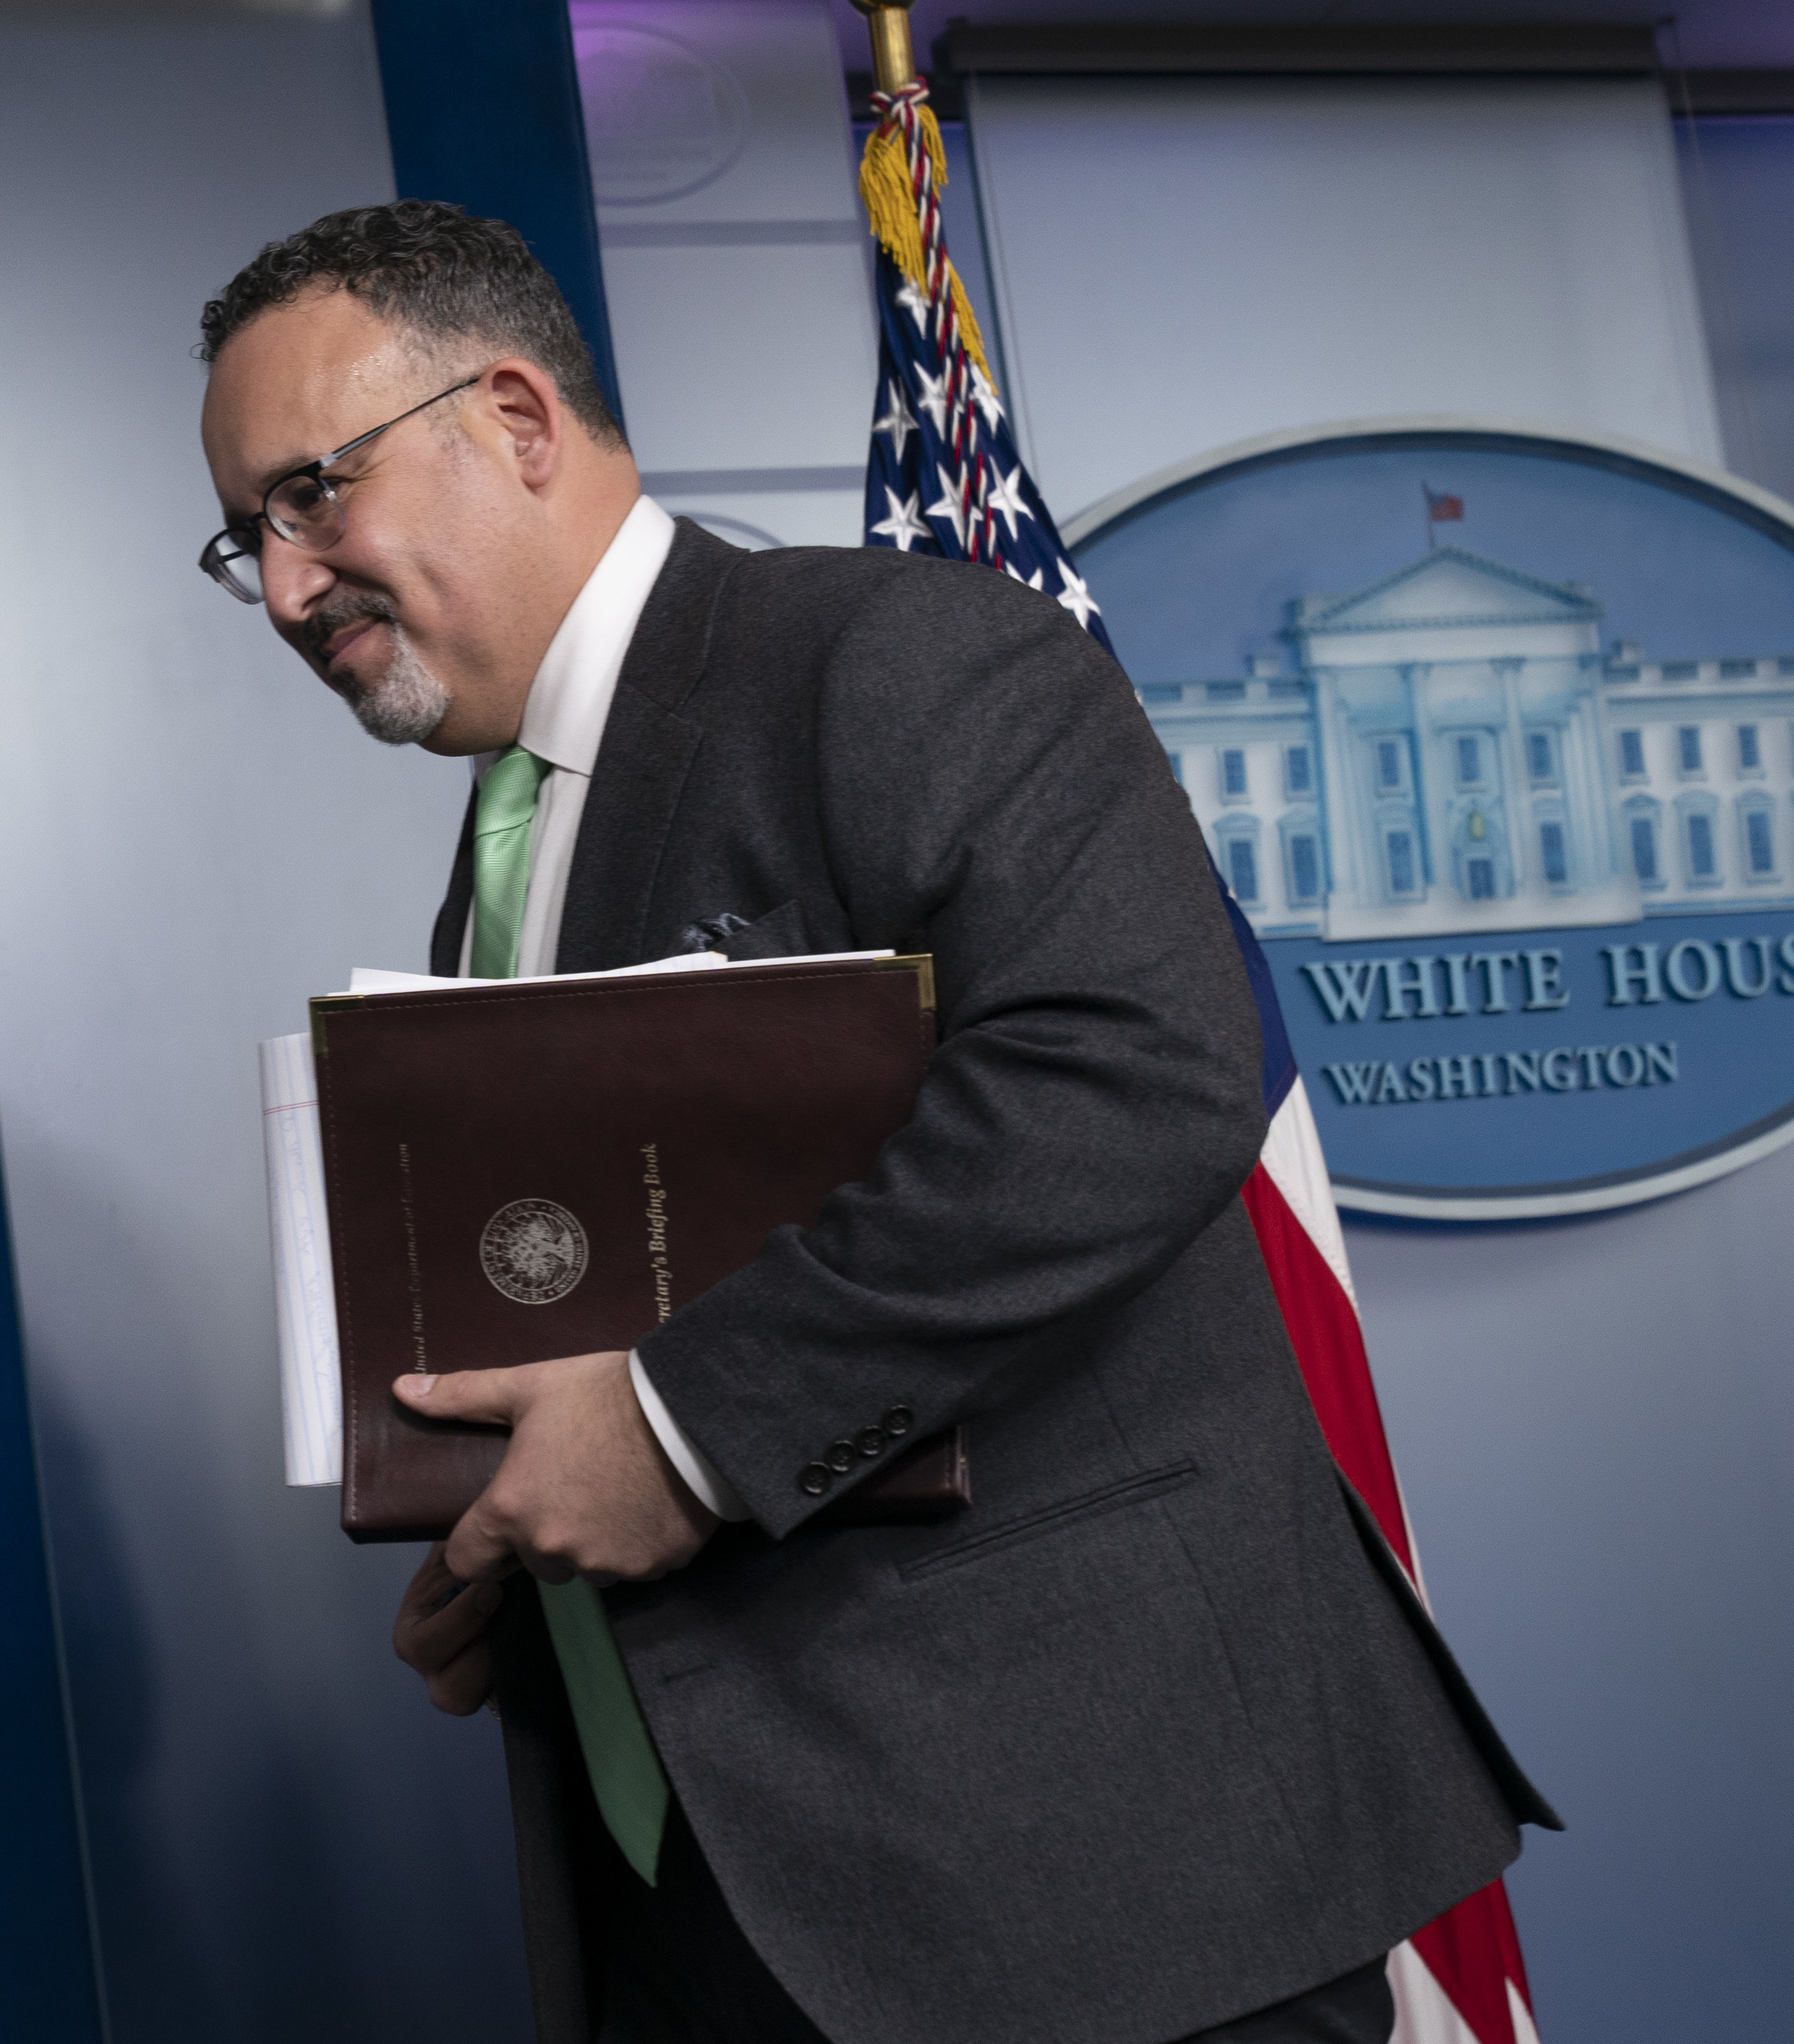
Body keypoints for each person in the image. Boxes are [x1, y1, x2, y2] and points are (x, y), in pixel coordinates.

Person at [195, 201, 1556, 2044]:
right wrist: (511, 1563)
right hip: (733, 1910)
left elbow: (1133, 1069)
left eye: (310, 497)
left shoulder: (897, 654)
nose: (283, 589)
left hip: (1091, 1890)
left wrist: (677, 1429)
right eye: (245, 539)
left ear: (512, 417)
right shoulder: (505, 844)